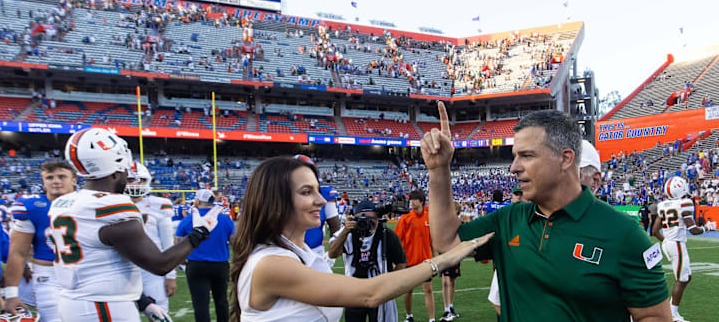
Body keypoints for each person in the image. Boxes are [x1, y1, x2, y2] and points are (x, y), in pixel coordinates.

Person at [423, 102, 671, 321]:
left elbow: (653, 316)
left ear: (565, 159)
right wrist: (438, 170)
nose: (513, 168)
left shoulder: (624, 233)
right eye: (514, 156)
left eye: (527, 156)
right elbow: (447, 242)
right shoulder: (508, 220)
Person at [229, 156, 491, 322]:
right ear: (276, 201)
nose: (321, 200)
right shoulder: (271, 264)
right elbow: (369, 294)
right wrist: (442, 260)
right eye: (307, 192)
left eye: (318, 191)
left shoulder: (297, 253)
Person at [48, 127, 222, 321]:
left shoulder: (63, 203)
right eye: (124, 172)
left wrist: (143, 302)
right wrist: (199, 232)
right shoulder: (112, 205)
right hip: (102, 306)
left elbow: (101, 262)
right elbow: (159, 264)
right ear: (114, 172)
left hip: (74, 301)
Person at [4, 161, 77, 321]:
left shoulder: (88, 204)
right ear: (43, 182)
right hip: (48, 275)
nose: (56, 181)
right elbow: (17, 252)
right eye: (50, 177)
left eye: (61, 176)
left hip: (85, 273)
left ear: (74, 180)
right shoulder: (33, 206)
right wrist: (11, 294)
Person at [327, 200, 406, 322]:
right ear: (354, 219)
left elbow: (401, 263)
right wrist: (345, 231)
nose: (368, 222)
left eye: (372, 218)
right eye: (362, 219)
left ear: (378, 218)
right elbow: (332, 254)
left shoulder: (387, 235)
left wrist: (390, 283)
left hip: (380, 291)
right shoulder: (348, 233)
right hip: (354, 291)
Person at [653, 176, 716, 322]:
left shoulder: (662, 205)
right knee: (681, 280)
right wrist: (707, 227)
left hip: (668, 243)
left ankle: (672, 309)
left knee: (686, 277)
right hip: (677, 244)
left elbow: (655, 231)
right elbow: (693, 230)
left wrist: (667, 241)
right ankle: (672, 314)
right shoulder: (684, 203)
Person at [176, 188, 236, 322]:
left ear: (197, 201)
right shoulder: (224, 219)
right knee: (221, 301)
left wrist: (182, 260)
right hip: (220, 264)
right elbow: (235, 242)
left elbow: (178, 243)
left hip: (196, 265)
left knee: (200, 304)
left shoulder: (188, 220)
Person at [125, 162, 177, 314]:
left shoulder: (159, 205)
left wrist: (170, 275)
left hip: (152, 268)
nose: (135, 184)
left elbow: (168, 243)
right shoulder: (113, 204)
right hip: (124, 269)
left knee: (159, 312)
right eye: (130, 180)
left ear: (146, 181)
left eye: (139, 179)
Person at [394, 190, 434, 322]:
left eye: (414, 199)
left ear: (421, 201)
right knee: (408, 290)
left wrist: (434, 257)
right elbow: (396, 240)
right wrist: (397, 260)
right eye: (410, 199)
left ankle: (432, 319)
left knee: (428, 290)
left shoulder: (429, 217)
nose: (411, 202)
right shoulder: (405, 218)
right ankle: (409, 316)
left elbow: (432, 240)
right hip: (408, 260)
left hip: (426, 261)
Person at [487, 186, 527, 318]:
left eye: (521, 194)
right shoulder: (504, 217)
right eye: (516, 194)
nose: (519, 197)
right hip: (507, 266)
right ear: (512, 196)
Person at [439, 202, 463, 322]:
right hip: (445, 255)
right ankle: (447, 309)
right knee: (445, 280)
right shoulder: (444, 223)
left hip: (455, 255)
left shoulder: (459, 223)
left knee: (452, 280)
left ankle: (451, 306)